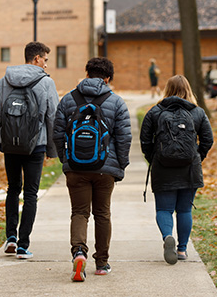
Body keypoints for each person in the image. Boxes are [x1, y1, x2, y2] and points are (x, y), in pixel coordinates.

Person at [53, 57, 132, 281]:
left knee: (79, 212)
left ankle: (79, 252)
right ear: (108, 78)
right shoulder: (116, 101)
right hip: (105, 168)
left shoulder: (68, 99)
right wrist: (120, 165)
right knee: (102, 214)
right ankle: (102, 263)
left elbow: (57, 133)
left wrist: (66, 160)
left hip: (76, 167)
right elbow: (124, 138)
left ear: (87, 74)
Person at [0, 42, 59, 259]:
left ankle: (10, 237)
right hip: (35, 145)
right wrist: (53, 151)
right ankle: (23, 245)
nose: (46, 64)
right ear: (36, 58)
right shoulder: (46, 83)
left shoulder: (4, 81)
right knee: (30, 193)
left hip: (9, 144)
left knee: (13, 188)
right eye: (45, 59)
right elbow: (53, 118)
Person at [140, 75, 213, 264]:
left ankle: (167, 237)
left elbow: (145, 141)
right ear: (188, 89)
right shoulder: (198, 112)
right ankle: (181, 250)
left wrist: (154, 160)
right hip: (190, 169)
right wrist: (197, 157)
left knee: (164, 208)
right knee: (184, 210)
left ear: (167, 89)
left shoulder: (155, 112)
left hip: (163, 168)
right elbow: (208, 140)